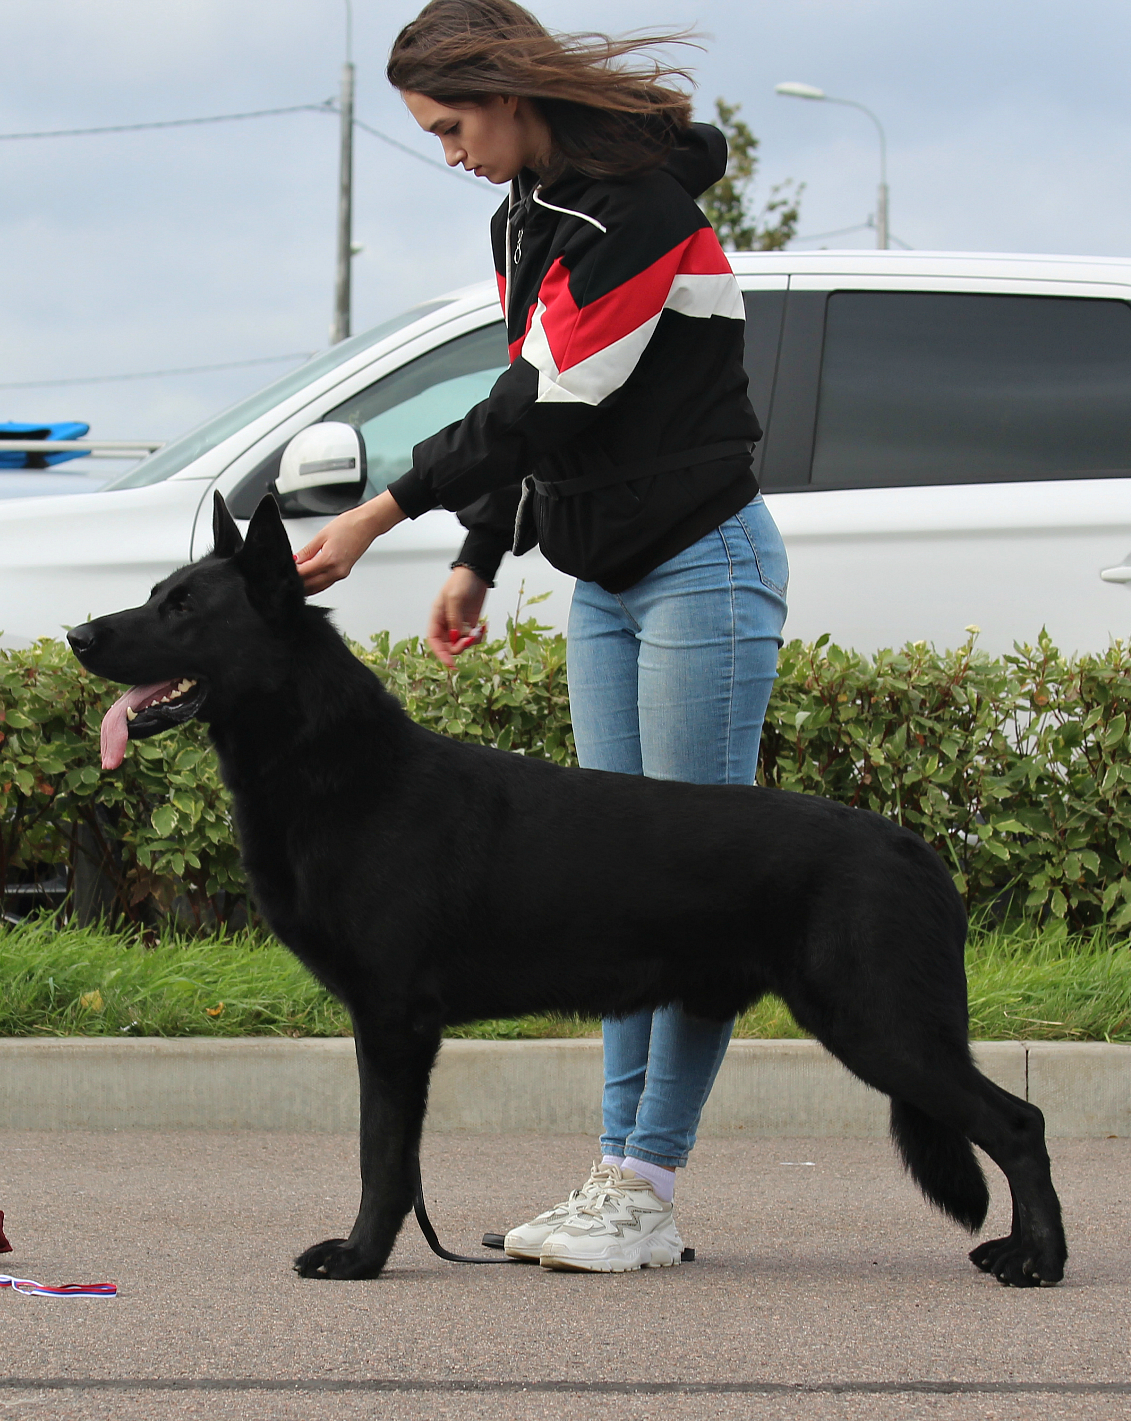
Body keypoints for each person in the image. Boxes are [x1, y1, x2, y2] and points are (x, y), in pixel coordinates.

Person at [293, 0, 788, 1273]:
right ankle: (614, 1179)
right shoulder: (526, 212)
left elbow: (538, 402)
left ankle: (645, 1182)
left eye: (454, 126)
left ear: (510, 93)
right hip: (607, 581)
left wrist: (380, 513)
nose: (450, 153)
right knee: (620, 888)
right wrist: (477, 552)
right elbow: (538, 397)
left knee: (696, 890)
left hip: (701, 572)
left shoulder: (636, 216)